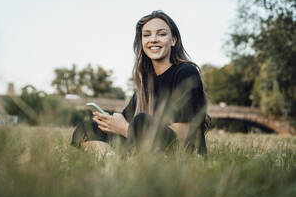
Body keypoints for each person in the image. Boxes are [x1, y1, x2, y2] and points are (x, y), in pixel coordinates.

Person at [71, 10, 209, 154]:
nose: (153, 39)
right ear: (142, 42)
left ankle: (125, 161)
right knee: (86, 128)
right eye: (146, 35)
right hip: (143, 148)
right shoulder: (145, 83)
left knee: (141, 121)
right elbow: (124, 120)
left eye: (161, 34)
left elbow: (183, 134)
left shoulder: (185, 72)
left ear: (173, 40)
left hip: (181, 153)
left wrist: (125, 129)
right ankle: (112, 161)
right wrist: (110, 122)